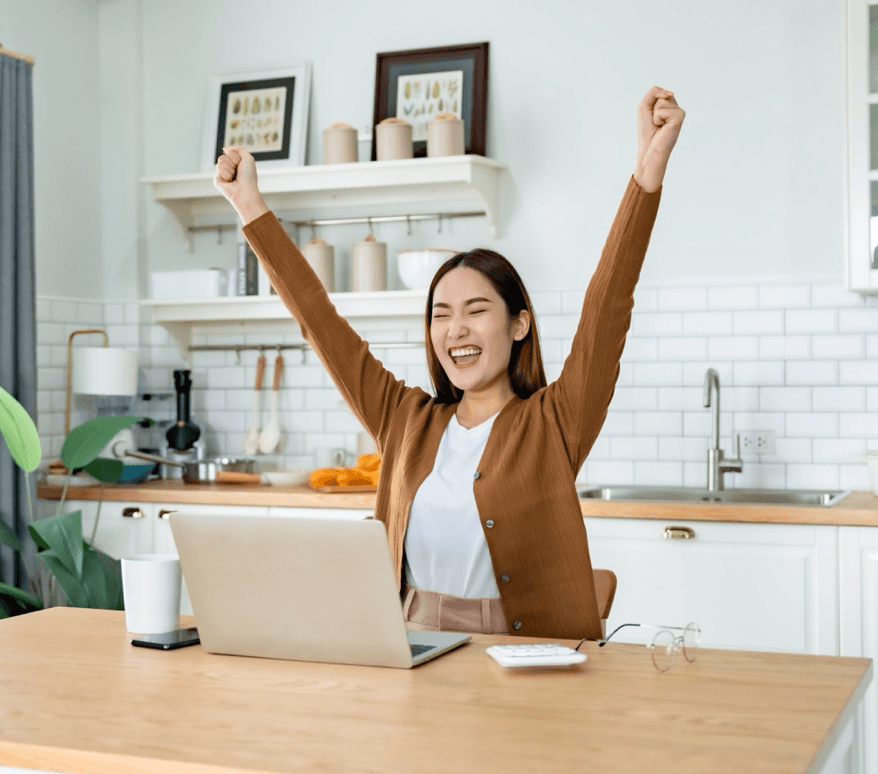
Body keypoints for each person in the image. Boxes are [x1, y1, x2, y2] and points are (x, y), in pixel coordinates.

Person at [214, 87, 685, 640]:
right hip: (407, 646)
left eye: (476, 310)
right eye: (441, 314)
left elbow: (608, 306)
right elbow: (319, 321)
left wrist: (646, 174)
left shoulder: (554, 423)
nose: (455, 329)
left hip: (520, 658)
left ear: (519, 324)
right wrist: (250, 207)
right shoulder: (405, 420)